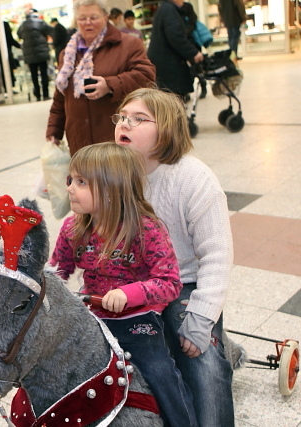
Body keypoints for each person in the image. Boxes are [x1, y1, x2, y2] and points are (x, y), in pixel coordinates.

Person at [50, 142, 197, 427]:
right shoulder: (73, 227)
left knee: (160, 372)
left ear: (111, 190)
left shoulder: (147, 230)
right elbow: (59, 269)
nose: (69, 188)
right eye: (71, 179)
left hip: (137, 320)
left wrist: (127, 294)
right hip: (90, 317)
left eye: (81, 182)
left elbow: (170, 283)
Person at [114, 87, 235, 426]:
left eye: (139, 119)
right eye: (122, 117)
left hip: (186, 283)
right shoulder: (116, 174)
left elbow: (217, 255)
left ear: (166, 129)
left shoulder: (193, 178)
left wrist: (201, 317)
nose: (125, 124)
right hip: (133, 283)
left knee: (204, 363)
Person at [46, 0, 156, 157]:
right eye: (82, 18)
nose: (87, 23)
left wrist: (110, 85)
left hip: (115, 139)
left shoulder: (129, 45)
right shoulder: (68, 53)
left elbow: (147, 75)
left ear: (106, 17)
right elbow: (60, 97)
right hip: (79, 141)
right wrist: (54, 130)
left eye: (93, 17)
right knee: (86, 180)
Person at [147, 0, 204, 100]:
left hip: (165, 63)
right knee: (172, 100)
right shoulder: (169, 10)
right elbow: (176, 36)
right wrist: (193, 53)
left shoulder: (166, 8)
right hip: (168, 65)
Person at [17, 9, 54, 101]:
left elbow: (19, 35)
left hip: (29, 55)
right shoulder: (40, 22)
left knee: (34, 75)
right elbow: (51, 31)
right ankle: (45, 94)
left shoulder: (22, 25)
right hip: (41, 53)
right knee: (44, 74)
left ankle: (37, 95)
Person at [0, 20, 22, 93]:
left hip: (0, 56)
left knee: (4, 72)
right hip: (7, 55)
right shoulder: (7, 34)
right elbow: (12, 42)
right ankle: (9, 88)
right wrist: (21, 46)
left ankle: (6, 89)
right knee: (9, 71)